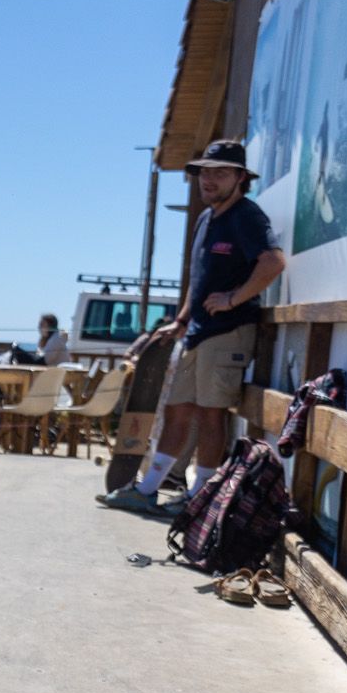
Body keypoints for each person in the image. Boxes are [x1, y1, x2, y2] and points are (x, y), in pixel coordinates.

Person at [99, 138, 286, 515]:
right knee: (177, 410)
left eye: (220, 173)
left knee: (210, 415)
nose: (209, 180)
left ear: (240, 178)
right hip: (197, 332)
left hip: (229, 332)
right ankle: (148, 490)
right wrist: (181, 320)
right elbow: (197, 279)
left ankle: (200, 498)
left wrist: (233, 298)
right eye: (204, 172)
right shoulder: (205, 218)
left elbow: (273, 262)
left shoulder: (247, 216)